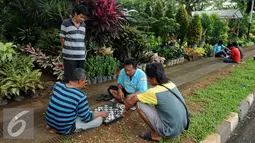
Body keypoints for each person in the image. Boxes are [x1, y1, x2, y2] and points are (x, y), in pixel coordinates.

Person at [123, 63, 187, 142]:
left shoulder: (154, 92)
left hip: (169, 131)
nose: (148, 80)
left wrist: (125, 110)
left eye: (148, 78)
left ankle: (156, 135)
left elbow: (132, 101)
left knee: (139, 104)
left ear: (153, 78)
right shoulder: (171, 84)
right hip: (183, 125)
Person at [46, 68, 108, 135]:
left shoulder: (57, 85)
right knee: (99, 120)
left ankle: (53, 126)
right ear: (80, 81)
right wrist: (101, 114)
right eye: (85, 82)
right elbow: (86, 118)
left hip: (49, 122)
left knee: (79, 111)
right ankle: (60, 128)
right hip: (64, 128)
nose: (84, 84)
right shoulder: (80, 96)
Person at [60, 4, 88, 83]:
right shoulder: (66, 23)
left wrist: (84, 53)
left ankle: (77, 94)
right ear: (76, 13)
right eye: (81, 17)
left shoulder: (84, 25)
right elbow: (62, 38)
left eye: (84, 18)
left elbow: (82, 39)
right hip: (69, 57)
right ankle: (68, 94)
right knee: (69, 79)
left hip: (81, 57)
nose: (83, 19)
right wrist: (67, 50)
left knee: (80, 78)